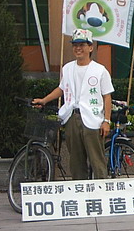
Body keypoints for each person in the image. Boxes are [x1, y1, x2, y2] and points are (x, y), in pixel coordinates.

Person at [33, 29, 113, 180]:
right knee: (76, 161)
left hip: (93, 119)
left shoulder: (100, 70)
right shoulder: (67, 68)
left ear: (90, 47)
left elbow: (107, 96)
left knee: (97, 160)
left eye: (82, 45)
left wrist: (106, 121)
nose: (78, 48)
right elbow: (61, 89)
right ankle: (79, 189)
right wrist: (44, 100)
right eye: (75, 45)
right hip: (72, 117)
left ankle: (101, 189)